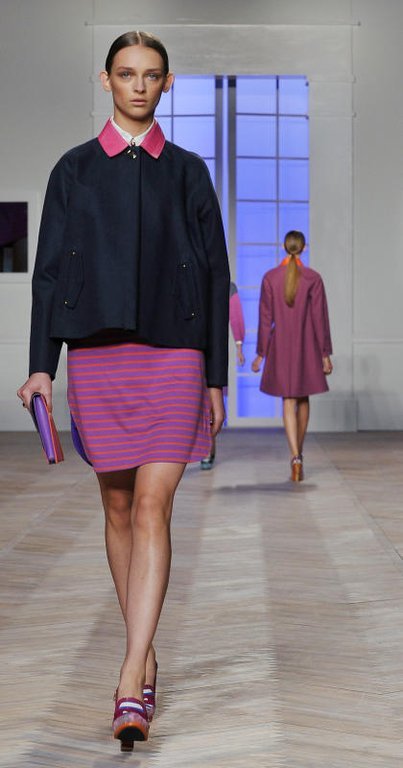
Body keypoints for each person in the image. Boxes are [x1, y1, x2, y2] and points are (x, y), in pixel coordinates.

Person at [17, 31, 229, 750]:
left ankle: (131, 673)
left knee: (150, 505)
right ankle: (146, 651)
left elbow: (215, 273)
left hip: (174, 354)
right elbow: (48, 271)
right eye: (126, 73)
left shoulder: (188, 172)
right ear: (105, 80)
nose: (139, 85)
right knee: (115, 505)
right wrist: (42, 364)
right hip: (98, 355)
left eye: (151, 75)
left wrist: (215, 377)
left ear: (167, 84)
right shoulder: (73, 169)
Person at [251, 230, 332, 481]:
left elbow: (265, 319)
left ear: (284, 247)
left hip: (281, 345)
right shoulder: (313, 278)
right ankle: (300, 455)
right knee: (303, 398)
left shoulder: (270, 278)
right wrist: (325, 354)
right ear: (304, 248)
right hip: (307, 345)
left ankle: (294, 456)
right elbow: (320, 319)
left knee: (288, 399)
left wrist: (261, 353)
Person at [200, 281, 245, 469]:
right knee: (209, 399)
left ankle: (206, 448)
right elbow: (236, 316)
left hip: (191, 346)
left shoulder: (226, 286)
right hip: (209, 347)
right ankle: (207, 449)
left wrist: (239, 345)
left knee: (206, 399)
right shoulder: (226, 285)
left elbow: (235, 316)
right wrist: (239, 345)